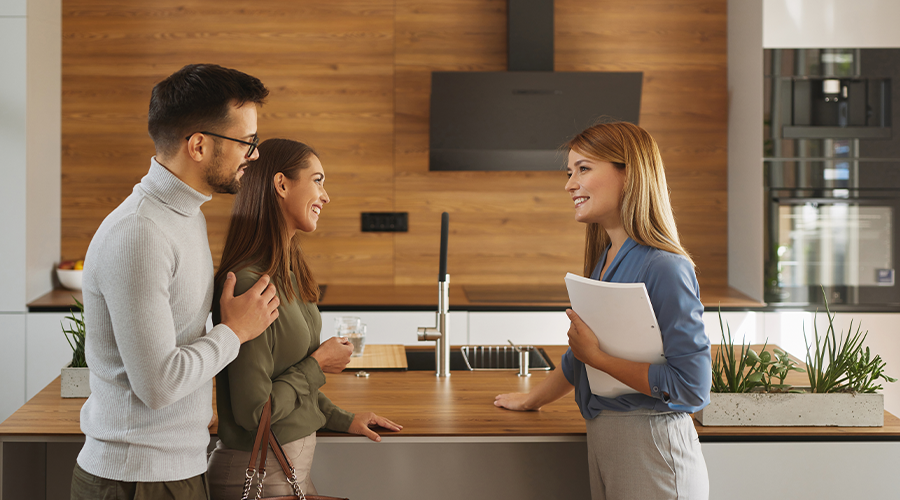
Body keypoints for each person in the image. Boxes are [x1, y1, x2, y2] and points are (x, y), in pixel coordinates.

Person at [72, 64, 281, 500]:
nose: (254, 154)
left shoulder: (184, 216)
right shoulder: (141, 233)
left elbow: (177, 341)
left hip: (172, 468)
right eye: (247, 141)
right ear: (199, 145)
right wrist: (235, 332)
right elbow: (159, 384)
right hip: (137, 479)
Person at [495, 122, 711, 500]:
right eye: (569, 172)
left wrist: (596, 355)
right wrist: (533, 399)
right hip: (610, 440)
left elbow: (692, 387)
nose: (569, 184)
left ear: (628, 173)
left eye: (583, 169)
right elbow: (581, 357)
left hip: (652, 445)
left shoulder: (664, 267)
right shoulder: (607, 261)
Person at [207, 138, 402, 499]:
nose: (325, 196)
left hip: (283, 470)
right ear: (281, 184)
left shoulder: (289, 272)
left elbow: (289, 381)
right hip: (259, 474)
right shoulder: (250, 284)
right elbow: (256, 411)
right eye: (317, 180)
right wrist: (318, 363)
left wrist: (345, 419)